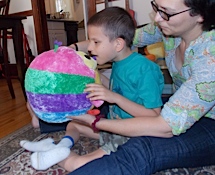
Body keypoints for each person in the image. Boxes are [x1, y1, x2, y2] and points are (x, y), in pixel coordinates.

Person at [64, 0, 215, 174]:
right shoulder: (168, 29)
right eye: (156, 7)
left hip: (210, 123)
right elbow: (116, 37)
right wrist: (72, 49)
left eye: (166, 12)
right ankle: (56, 120)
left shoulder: (210, 57)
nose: (157, 18)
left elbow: (164, 126)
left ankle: (77, 164)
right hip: (184, 106)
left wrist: (99, 123)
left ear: (200, 15)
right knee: (114, 104)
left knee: (143, 147)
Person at [20, 7, 164, 171]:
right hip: (113, 126)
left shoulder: (145, 70)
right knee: (73, 124)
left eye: (96, 42)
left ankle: (53, 152)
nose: (90, 48)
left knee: (78, 165)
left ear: (118, 44)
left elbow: (154, 115)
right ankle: (62, 145)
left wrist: (114, 97)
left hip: (131, 134)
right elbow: (119, 88)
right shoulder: (119, 62)